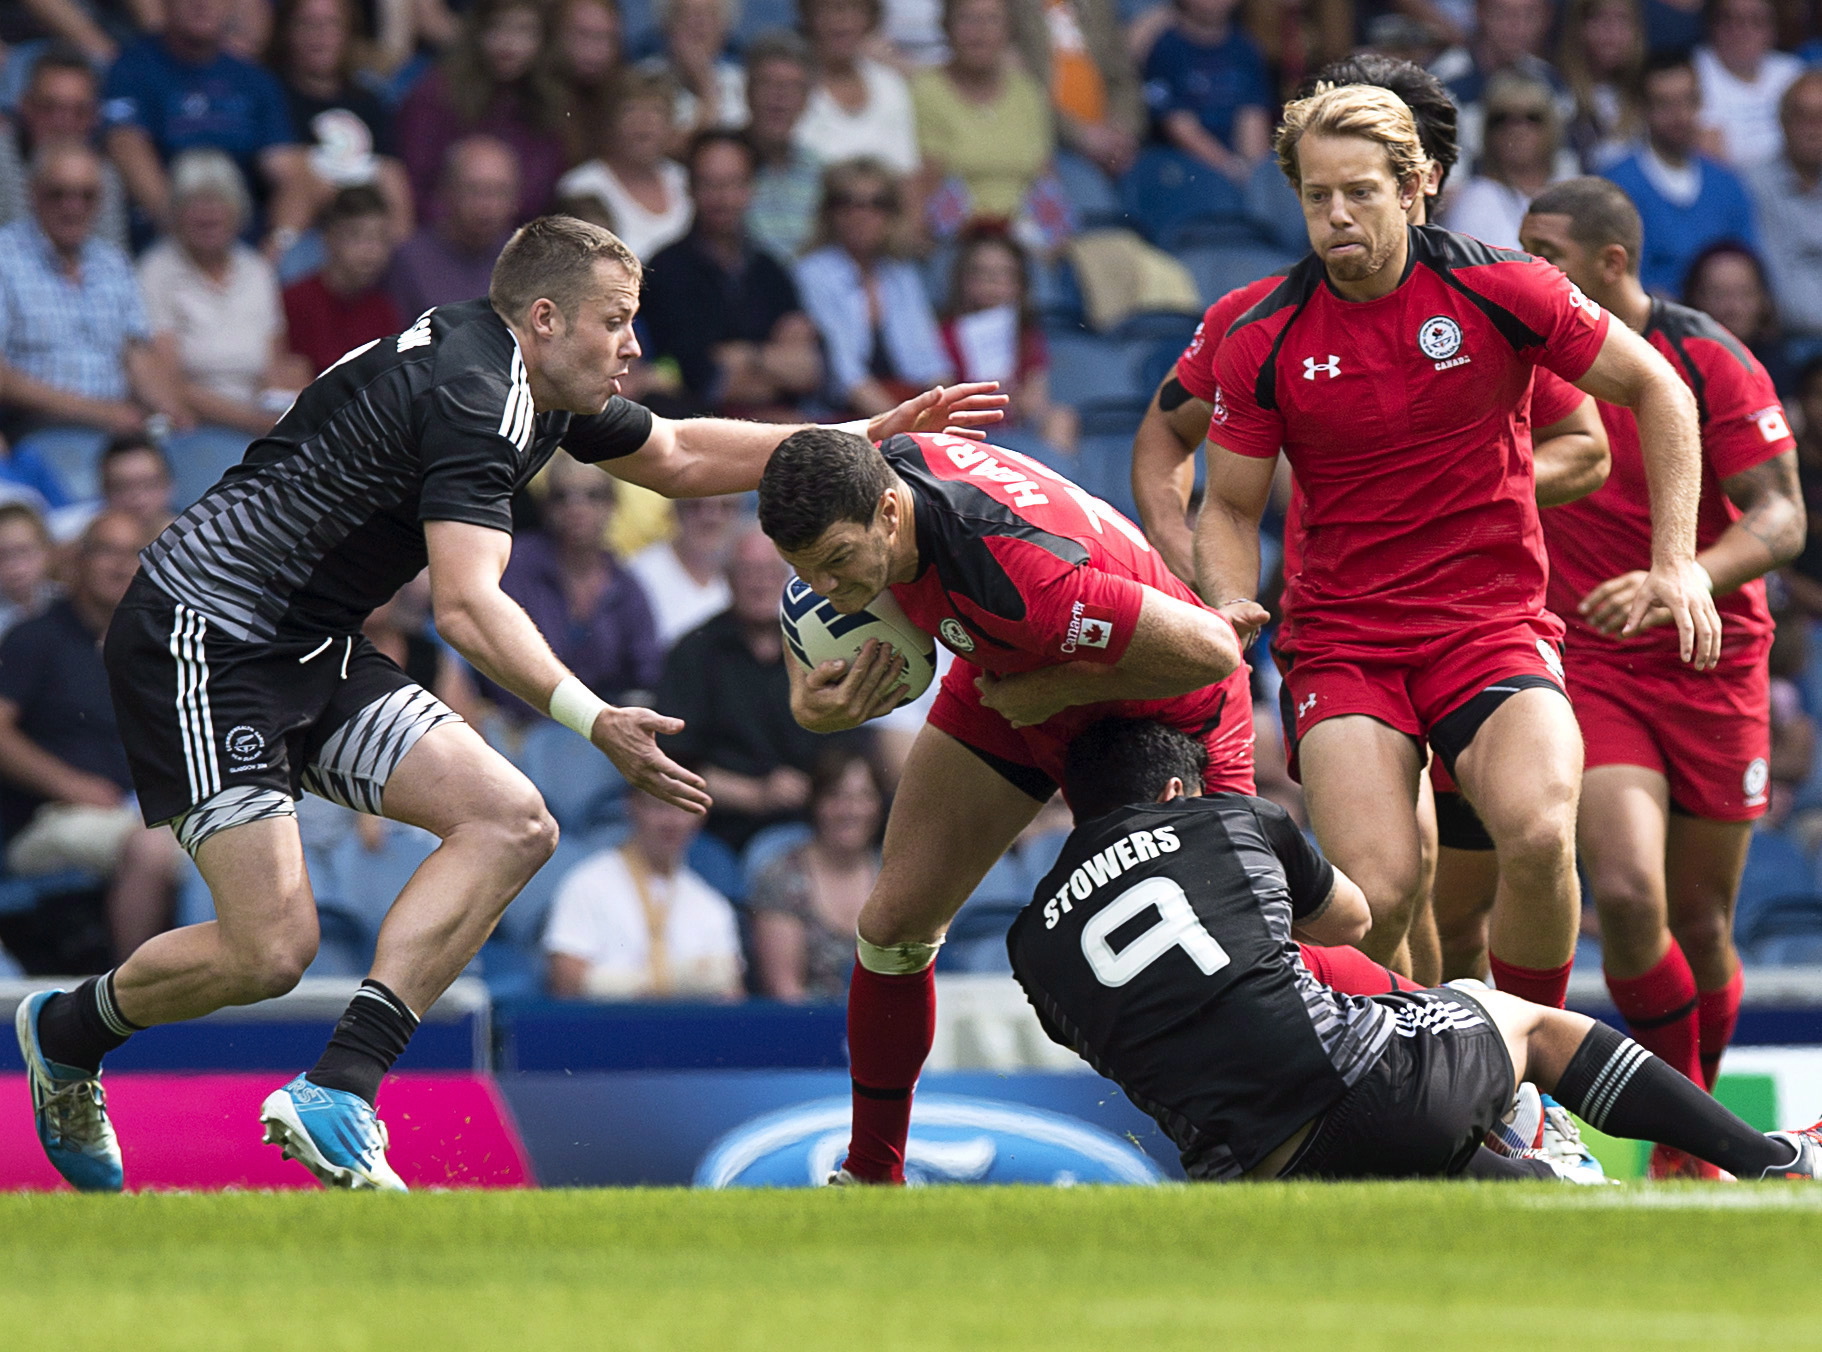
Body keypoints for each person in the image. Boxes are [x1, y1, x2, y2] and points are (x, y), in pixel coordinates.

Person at [12, 212, 1001, 1194]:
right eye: (615, 321)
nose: (634, 344)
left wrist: (854, 434)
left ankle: (338, 1089)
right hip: (203, 633)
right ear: (543, 317)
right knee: (270, 948)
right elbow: (468, 606)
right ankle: (65, 1034)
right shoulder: (476, 395)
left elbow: (678, 455)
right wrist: (593, 715)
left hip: (309, 643)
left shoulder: (535, 376)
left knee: (512, 818)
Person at [1193, 84, 1715, 1003]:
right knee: (1381, 897)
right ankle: (1380, 1101)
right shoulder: (1265, 337)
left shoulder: (1501, 287)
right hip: (1344, 643)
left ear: (1416, 185)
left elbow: (1660, 392)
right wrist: (1230, 603)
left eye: (1359, 191)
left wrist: (1675, 561)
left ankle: (1527, 1084)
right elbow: (1230, 508)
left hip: (1490, 629)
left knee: (1542, 833)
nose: (1337, 214)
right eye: (1317, 196)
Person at [1003, 717, 1822, 1183]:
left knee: (1407, 1156)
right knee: (1523, 1024)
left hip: (1250, 1178)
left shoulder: (1031, 944)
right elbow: (1352, 920)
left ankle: (1542, 1184)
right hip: (1367, 1088)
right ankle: (1771, 1159)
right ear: (1176, 790)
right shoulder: (1228, 818)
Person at [756, 425, 1254, 1185]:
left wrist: (1059, 686)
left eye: (835, 566)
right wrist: (803, 697)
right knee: (892, 926)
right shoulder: (868, 481)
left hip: (1159, 705)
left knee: (1234, 960)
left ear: (889, 515)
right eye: (805, 570)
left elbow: (1215, 651)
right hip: (1012, 674)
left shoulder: (1025, 578)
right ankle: (871, 1177)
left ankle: (1424, 1039)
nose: (824, 588)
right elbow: (809, 590)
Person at [1516, 178, 1802, 1176]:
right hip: (1593, 656)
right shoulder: (1522, 357)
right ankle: (1687, 1136)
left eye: (1544, 250)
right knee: (1630, 894)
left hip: (1711, 655)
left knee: (1700, 919)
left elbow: (1780, 517)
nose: (1525, 267)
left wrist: (1681, 573)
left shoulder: (1709, 361)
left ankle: (1696, 1133)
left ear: (1611, 266)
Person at [0, 511, 179, 974]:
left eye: (133, 556)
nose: (121, 566)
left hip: (140, 810)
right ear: (77, 562)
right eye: (106, 552)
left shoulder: (152, 648)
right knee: (151, 847)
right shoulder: (35, 637)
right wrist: (69, 785)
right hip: (49, 819)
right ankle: (127, 1001)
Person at [657, 526, 841, 850]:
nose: (761, 583)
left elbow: (848, 748)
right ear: (726, 578)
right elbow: (673, 765)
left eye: (772, 571)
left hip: (819, 827)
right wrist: (757, 795)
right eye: (748, 571)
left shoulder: (821, 648)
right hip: (717, 832)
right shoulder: (693, 653)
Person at [0, 143, 188, 446]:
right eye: (58, 194)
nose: (73, 207)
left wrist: (170, 411)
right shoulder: (5, 258)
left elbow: (136, 354)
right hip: (37, 428)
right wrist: (101, 413)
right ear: (33, 194)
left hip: (119, 431)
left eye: (86, 195)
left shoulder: (112, 262)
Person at [100, 0, 315, 257]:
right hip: (163, 240)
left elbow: (292, 175)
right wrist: (185, 234)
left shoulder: (255, 80)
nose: (202, 4)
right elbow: (127, 148)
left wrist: (276, 248)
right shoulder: (132, 68)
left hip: (246, 247)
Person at [641, 130, 823, 417]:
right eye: (709, 184)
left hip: (783, 429)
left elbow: (809, 371)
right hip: (698, 434)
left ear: (752, 188)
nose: (722, 197)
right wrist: (773, 362)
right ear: (689, 187)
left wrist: (745, 357)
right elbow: (699, 381)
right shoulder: (664, 270)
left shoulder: (770, 269)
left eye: (733, 183)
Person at [137, 150, 312, 441]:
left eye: (218, 202)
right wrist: (255, 423)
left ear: (237, 210)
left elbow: (273, 364)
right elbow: (169, 380)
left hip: (259, 417)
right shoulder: (156, 271)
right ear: (176, 213)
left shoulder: (256, 270)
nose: (208, 214)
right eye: (194, 203)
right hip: (195, 425)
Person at [495, 451, 662, 719]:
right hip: (518, 723)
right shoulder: (514, 566)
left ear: (612, 505)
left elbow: (646, 675)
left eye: (592, 495)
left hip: (599, 732)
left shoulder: (627, 587)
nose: (576, 508)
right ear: (546, 507)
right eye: (562, 496)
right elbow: (495, 660)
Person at [544, 788, 744, 999]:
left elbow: (732, 996)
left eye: (684, 810)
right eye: (659, 807)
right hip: (608, 1027)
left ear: (700, 817)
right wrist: (666, 981)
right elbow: (565, 981)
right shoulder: (587, 884)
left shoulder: (711, 905)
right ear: (632, 807)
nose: (671, 822)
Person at [795, 159, 953, 416]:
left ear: (892, 214)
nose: (861, 215)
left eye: (877, 204)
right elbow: (845, 373)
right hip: (840, 416)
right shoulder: (813, 272)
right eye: (846, 203)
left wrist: (942, 413)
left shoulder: (901, 272)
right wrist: (902, 428)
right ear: (829, 212)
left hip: (905, 406)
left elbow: (931, 361)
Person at [395, 0, 568, 224]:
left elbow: (543, 194)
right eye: (497, 27)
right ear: (477, 31)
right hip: (441, 235)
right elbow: (414, 183)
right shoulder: (436, 94)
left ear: (544, 40)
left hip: (520, 239)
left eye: (524, 30)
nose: (509, 42)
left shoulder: (549, 103)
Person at [1602, 52, 1760, 297]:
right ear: (1641, 108)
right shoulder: (1616, 187)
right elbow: (1615, 281)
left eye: (1688, 101)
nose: (1680, 115)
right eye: (1664, 103)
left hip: (1722, 328)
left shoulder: (1727, 184)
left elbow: (1749, 271)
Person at [267, 0, 415, 241]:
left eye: (331, 24)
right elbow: (290, 175)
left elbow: (392, 179)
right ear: (287, 32)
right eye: (308, 24)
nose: (320, 36)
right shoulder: (272, 93)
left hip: (367, 235)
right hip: (306, 235)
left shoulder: (369, 101)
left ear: (348, 33)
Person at [749, 747, 887, 1001]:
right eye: (837, 796)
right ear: (816, 803)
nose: (852, 810)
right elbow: (784, 991)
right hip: (806, 1030)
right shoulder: (781, 876)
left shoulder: (897, 879)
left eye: (865, 796)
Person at [912, 0, 1055, 228]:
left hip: (1023, 236)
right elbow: (926, 185)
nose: (980, 32)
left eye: (992, 20)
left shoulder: (1027, 92)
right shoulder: (925, 91)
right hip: (956, 235)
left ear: (1009, 30)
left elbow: (1045, 178)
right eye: (967, 19)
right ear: (946, 26)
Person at [939, 226, 1075, 453]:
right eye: (981, 273)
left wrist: (1018, 399)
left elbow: (1036, 402)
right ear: (963, 280)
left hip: (1013, 428)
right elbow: (938, 400)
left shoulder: (1027, 337)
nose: (992, 283)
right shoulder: (944, 335)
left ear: (1019, 285)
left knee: (1062, 419)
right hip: (962, 433)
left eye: (1003, 274)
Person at [0, 45, 130, 253]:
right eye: (49, 108)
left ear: (95, 117)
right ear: (25, 107)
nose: (63, 123)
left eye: (79, 111)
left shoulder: (104, 177)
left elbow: (112, 258)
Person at [555, 72, 694, 262]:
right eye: (630, 109)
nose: (644, 121)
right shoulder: (581, 185)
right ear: (610, 122)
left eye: (656, 110)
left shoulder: (684, 179)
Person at [385, 135, 520, 321]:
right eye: (475, 191)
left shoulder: (530, 261)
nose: (487, 206)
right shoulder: (409, 261)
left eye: (499, 192)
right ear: (446, 191)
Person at [1140, 0, 1271, 187]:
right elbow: (1177, 126)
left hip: (1238, 170)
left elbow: (1252, 121)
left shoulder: (1245, 49)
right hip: (1182, 169)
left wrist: (1256, 177)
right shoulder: (1166, 48)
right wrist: (1231, 167)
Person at [1010, 0, 1144, 180]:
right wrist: (1080, 136)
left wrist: (1123, 130)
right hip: (1052, 143)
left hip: (1113, 141)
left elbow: (1122, 76)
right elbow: (1019, 92)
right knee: (1095, 201)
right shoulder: (1010, 8)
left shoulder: (1098, 6)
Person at [283, 185, 405, 377]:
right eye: (357, 236)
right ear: (329, 237)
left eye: (381, 238)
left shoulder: (384, 311)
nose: (371, 251)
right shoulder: (295, 301)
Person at [794, 0, 920, 178]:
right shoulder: (792, 86)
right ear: (808, 16)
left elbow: (907, 170)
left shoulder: (891, 86)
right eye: (829, 10)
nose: (842, 23)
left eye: (855, 10)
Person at [1442, 72, 1567, 250]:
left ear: (1550, 126)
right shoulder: (1475, 200)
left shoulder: (1570, 194)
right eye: (1502, 119)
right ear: (1487, 131)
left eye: (1532, 117)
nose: (1517, 130)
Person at [1746, 72, 1822, 346]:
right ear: (1782, 122)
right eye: (1803, 116)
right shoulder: (1752, 186)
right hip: (1781, 344)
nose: (1814, 128)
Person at [743, 30, 823, 262]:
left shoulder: (818, 171)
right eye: (768, 84)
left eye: (792, 87)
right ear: (747, 91)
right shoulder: (723, 161)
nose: (779, 97)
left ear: (807, 99)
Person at [1693, 0, 1801, 169]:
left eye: (1756, 20)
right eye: (1730, 19)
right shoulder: (1695, 72)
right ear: (1713, 24)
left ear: (1773, 28)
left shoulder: (1791, 72)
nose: (1742, 31)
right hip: (1733, 185)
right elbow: (1710, 157)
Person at [626, 493, 738, 648]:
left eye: (726, 507)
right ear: (676, 510)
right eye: (695, 506)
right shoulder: (639, 575)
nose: (711, 517)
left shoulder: (753, 574)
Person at [1682, 241, 1792, 391]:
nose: (1733, 308)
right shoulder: (1674, 371)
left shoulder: (1785, 373)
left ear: (1764, 299)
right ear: (1694, 298)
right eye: (1718, 295)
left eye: (1745, 294)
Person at [640, 0, 748, 141]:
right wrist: (705, 87)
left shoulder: (744, 82)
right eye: (688, 14)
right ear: (666, 25)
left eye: (709, 15)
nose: (699, 23)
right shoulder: (644, 81)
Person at [1559, 0, 1646, 170]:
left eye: (1621, 19)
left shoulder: (1647, 94)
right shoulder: (1557, 92)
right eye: (1598, 18)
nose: (1611, 31)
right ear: (1578, 27)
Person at [552, 0, 623, 168]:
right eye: (583, 34)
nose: (594, 48)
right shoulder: (533, 100)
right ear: (557, 34)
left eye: (605, 38)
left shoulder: (625, 99)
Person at [98, 433, 177, 536]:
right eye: (122, 487)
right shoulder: (83, 543)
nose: (138, 497)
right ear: (104, 490)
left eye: (149, 485)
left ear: (169, 485)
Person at [0, 502, 58, 637]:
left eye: (24, 551)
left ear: (47, 551)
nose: (14, 566)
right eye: (2, 556)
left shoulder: (72, 603)